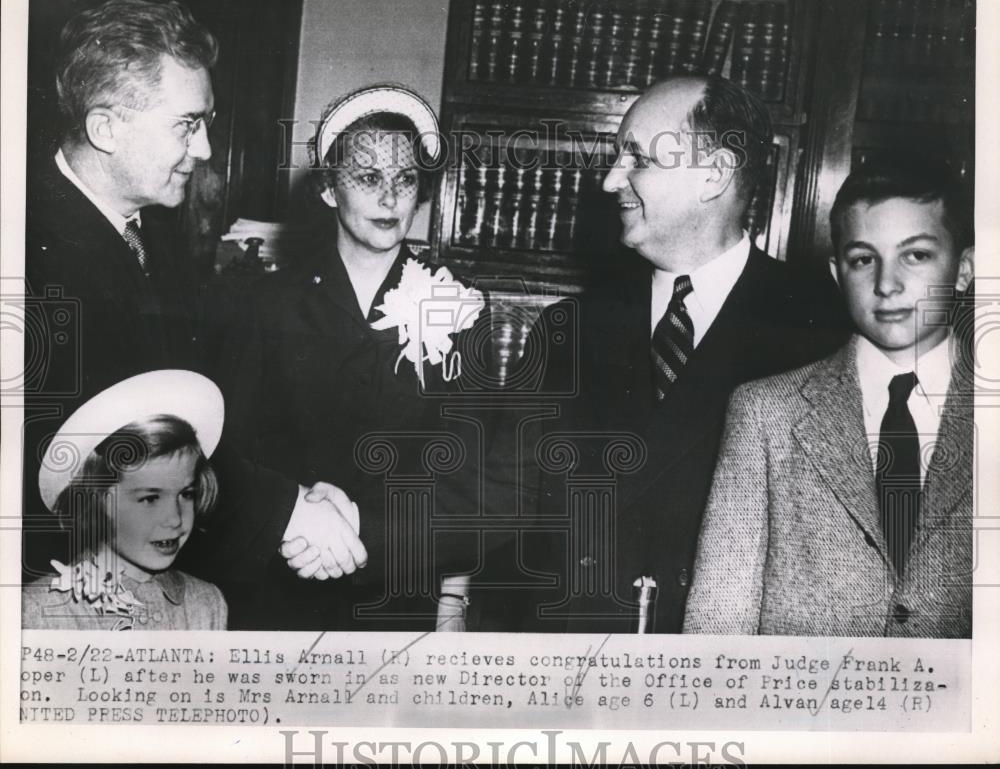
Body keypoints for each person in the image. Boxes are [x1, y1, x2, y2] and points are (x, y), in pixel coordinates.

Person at [23, 0, 363, 598]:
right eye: (186, 124)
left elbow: (187, 408)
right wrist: (286, 511)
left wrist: (298, 490)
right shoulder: (25, 245)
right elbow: (117, 449)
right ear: (106, 128)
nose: (205, 149)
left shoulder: (152, 224)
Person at [507, 75, 849, 634]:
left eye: (637, 159)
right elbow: (504, 509)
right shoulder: (565, 330)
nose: (612, 179)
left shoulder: (823, 332)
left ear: (713, 175)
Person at [219, 84, 487, 630]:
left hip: (397, 587)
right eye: (368, 178)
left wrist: (452, 602)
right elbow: (230, 453)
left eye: (406, 179)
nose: (391, 199)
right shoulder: (268, 304)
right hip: (283, 580)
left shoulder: (455, 305)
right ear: (327, 191)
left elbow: (467, 469)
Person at [683, 159, 974, 638]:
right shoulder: (766, 414)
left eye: (915, 255)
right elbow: (718, 619)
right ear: (838, 275)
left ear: (964, 270)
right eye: (863, 259)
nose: (886, 284)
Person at [22, 370, 228, 630]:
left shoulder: (207, 603)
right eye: (150, 498)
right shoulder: (41, 609)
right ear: (96, 501)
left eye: (186, 494)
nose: (175, 519)